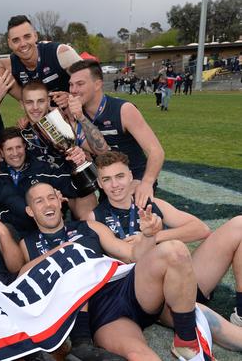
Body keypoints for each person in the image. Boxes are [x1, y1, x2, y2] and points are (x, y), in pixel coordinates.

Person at [21, 182, 213, 360]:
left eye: (51, 197)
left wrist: (148, 236)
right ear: (30, 211)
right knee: (139, 355)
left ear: (59, 200)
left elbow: (133, 255)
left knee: (175, 250)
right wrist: (66, 251)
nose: (48, 204)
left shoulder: (89, 226)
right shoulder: (27, 243)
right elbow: (22, 278)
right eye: (39, 201)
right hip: (101, 312)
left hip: (124, 287)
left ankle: (186, 341)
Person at [90, 151, 242, 335]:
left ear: (131, 176)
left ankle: (240, 313)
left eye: (120, 176)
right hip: (150, 297)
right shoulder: (94, 218)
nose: (114, 185)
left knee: (239, 225)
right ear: (99, 183)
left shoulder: (150, 203)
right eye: (106, 179)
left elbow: (200, 229)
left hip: (181, 277)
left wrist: (155, 236)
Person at [68, 60, 164, 209]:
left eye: (80, 84)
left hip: (134, 180)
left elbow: (156, 151)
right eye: (71, 84)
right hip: (107, 184)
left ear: (98, 84)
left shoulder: (123, 110)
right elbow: (101, 151)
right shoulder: (75, 114)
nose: (73, 90)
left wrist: (146, 183)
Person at [19, 80, 108, 219]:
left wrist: (81, 155)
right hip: (40, 193)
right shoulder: (20, 134)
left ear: (48, 102)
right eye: (29, 102)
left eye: (41, 101)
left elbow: (102, 150)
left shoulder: (63, 125)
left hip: (69, 185)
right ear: (22, 104)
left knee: (89, 215)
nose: (35, 107)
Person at [3, 15, 82, 107]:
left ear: (35, 36)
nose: (23, 44)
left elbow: (90, 82)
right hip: (46, 117)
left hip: (77, 112)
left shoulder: (61, 53)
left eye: (27, 37)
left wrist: (71, 97)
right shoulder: (10, 65)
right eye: (16, 40)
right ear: (9, 43)